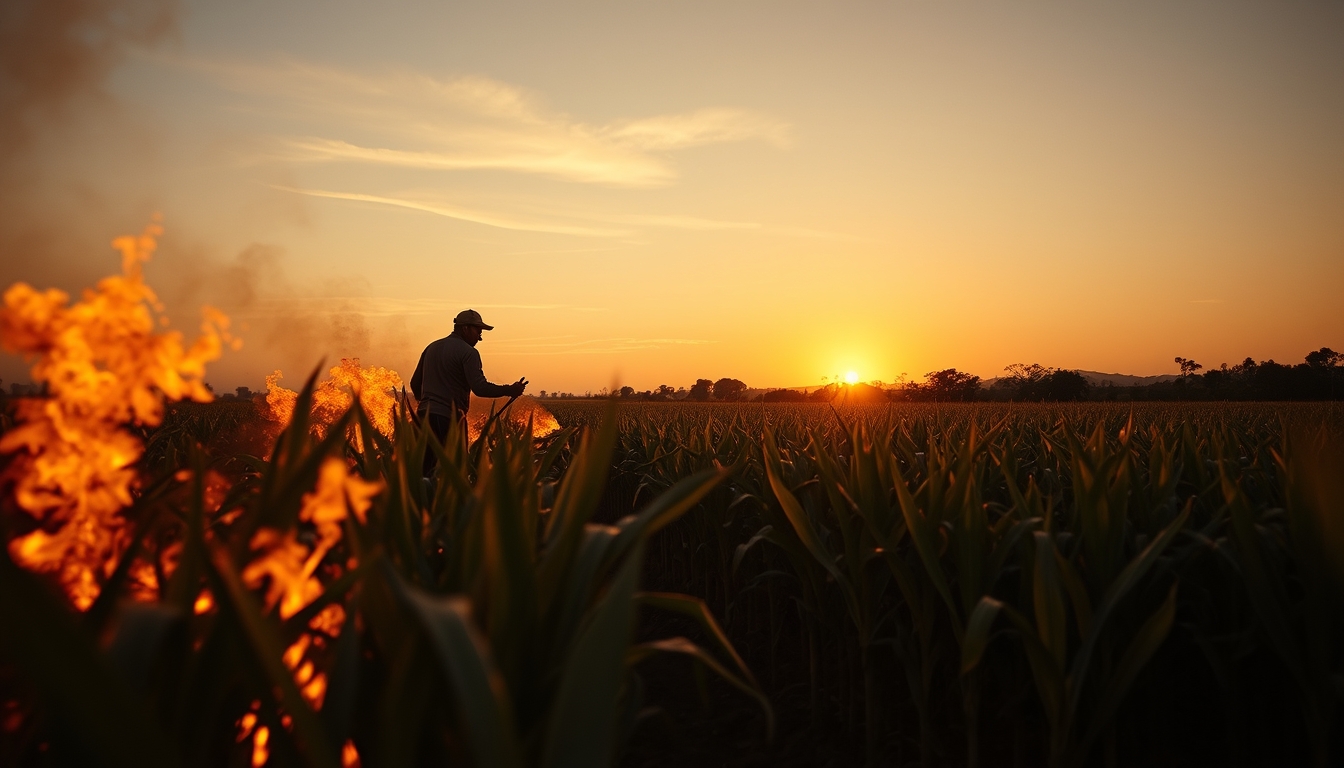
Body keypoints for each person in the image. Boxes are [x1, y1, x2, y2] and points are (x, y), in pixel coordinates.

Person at [410, 309, 526, 475]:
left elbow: (415, 383)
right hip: (448, 420)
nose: (480, 337)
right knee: (455, 470)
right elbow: (479, 388)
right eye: (478, 331)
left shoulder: (431, 347)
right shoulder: (468, 352)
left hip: (422, 418)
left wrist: (426, 402)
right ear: (465, 328)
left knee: (425, 469)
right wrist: (510, 389)